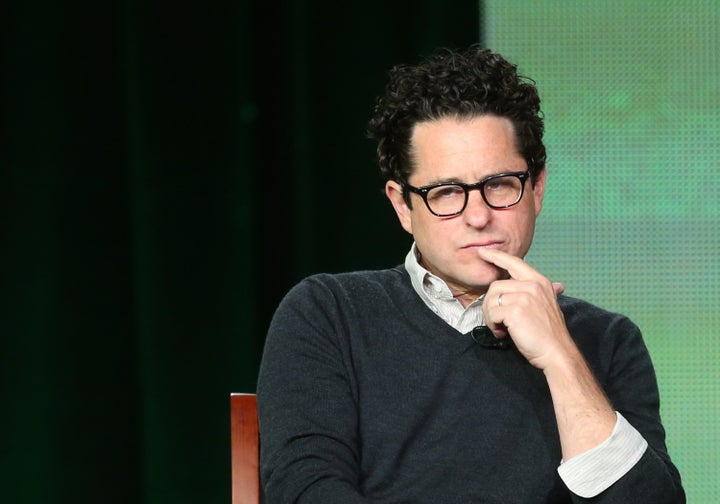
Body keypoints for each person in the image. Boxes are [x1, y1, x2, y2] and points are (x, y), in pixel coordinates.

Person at [256, 44, 685, 503]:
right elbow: (304, 490)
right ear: (402, 205)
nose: (478, 216)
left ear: (537, 188)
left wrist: (560, 356)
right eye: (446, 192)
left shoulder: (607, 340)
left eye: (499, 185)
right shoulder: (329, 314)